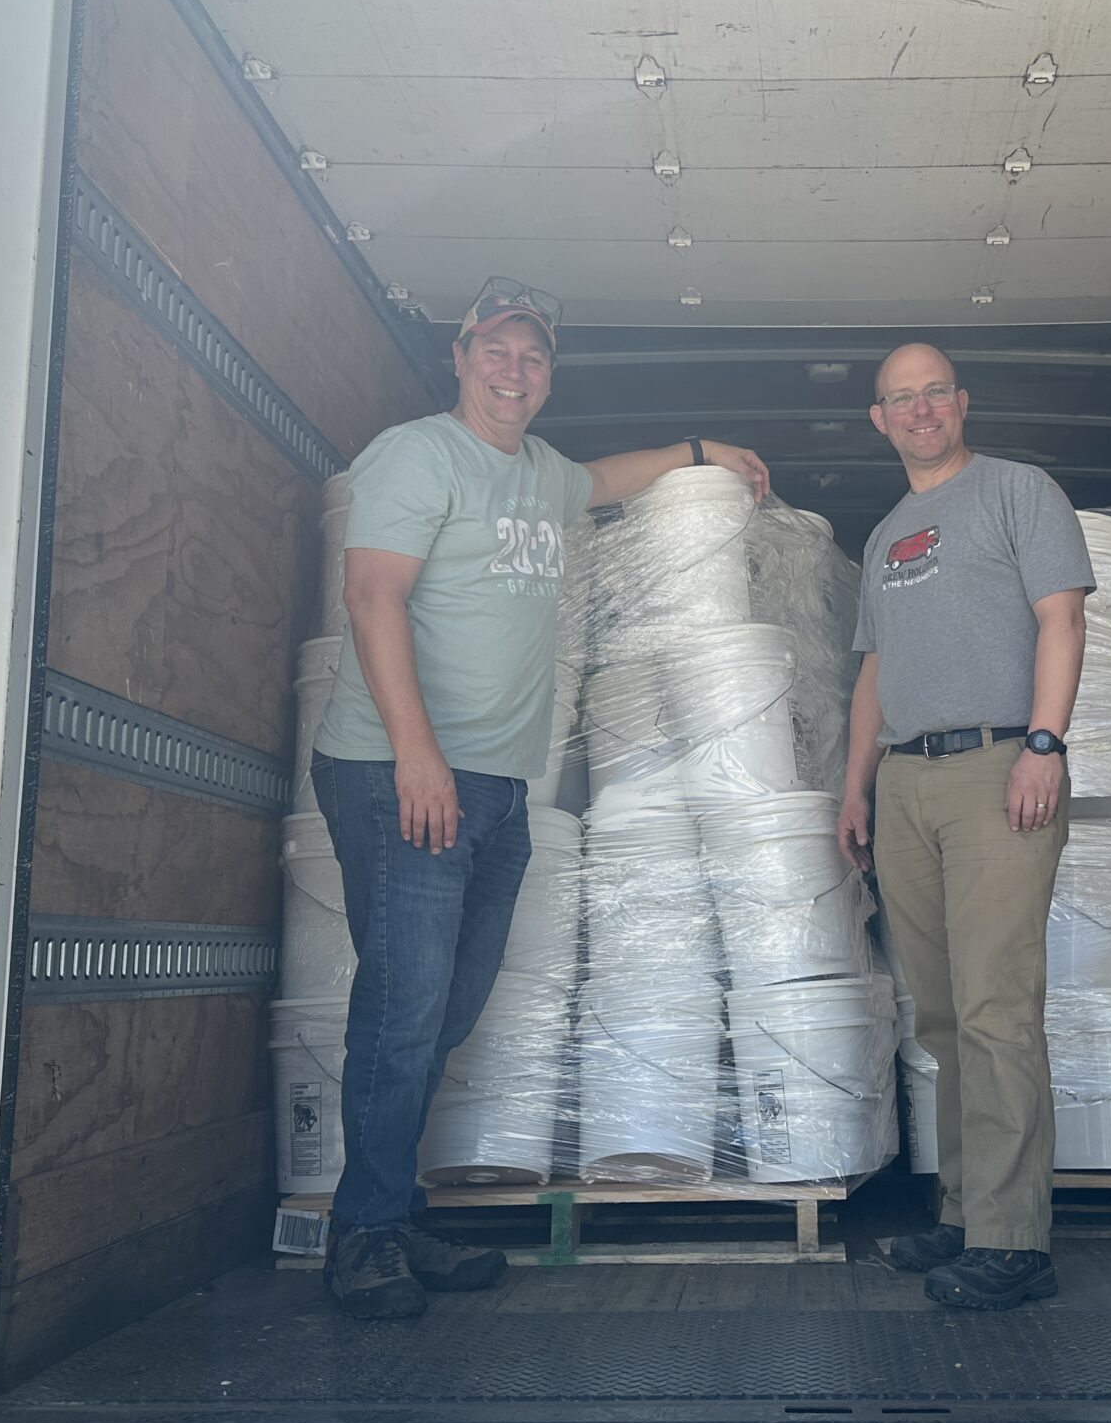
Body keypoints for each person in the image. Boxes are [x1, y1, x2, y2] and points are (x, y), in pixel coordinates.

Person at [311, 276, 769, 1319]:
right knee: (404, 1007)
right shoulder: (418, 454)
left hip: (494, 786)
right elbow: (371, 595)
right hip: (400, 774)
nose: (515, 371)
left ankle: (390, 1213)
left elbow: (606, 479)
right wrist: (416, 754)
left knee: (449, 1006)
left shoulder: (539, 474)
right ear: (461, 355)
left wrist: (700, 453)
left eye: (534, 358)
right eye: (498, 351)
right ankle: (365, 1236)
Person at [836, 342, 1092, 1310]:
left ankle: (1015, 1239)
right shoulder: (888, 533)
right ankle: (962, 1213)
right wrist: (854, 786)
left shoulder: (1018, 491)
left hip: (997, 766)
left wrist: (1043, 743)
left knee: (996, 1007)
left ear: (961, 401)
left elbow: (1061, 619)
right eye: (901, 398)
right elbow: (871, 671)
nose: (920, 409)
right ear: (880, 419)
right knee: (942, 1017)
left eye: (934, 391)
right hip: (905, 781)